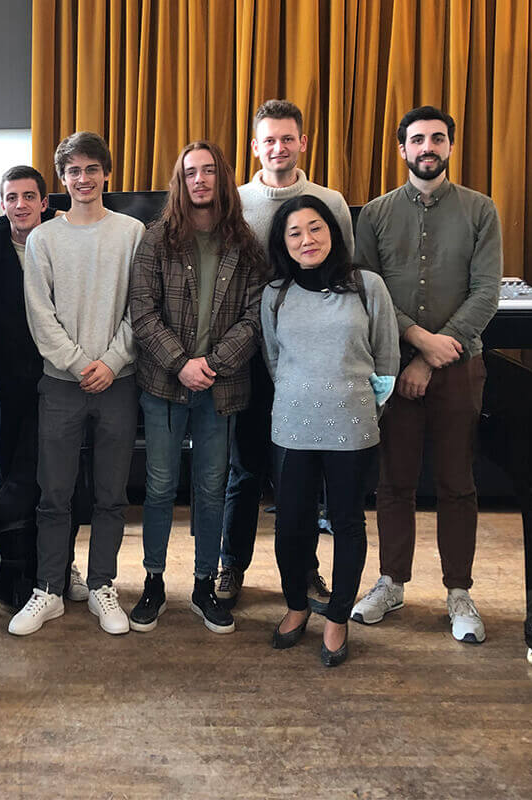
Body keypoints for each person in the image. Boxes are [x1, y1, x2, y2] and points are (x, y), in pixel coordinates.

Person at [351, 106, 502, 644]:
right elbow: (366, 290)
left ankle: (459, 591)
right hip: (392, 368)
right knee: (393, 482)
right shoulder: (375, 214)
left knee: (457, 483)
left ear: (450, 146)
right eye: (417, 139)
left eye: (438, 138)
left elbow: (487, 292)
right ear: (402, 150)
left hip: (460, 365)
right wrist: (416, 342)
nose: (428, 147)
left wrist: (435, 353)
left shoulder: (481, 210)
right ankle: (391, 582)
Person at [127, 140, 268, 634]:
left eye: (208, 171)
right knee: (160, 486)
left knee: (211, 489)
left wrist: (212, 363)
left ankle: (204, 585)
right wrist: (181, 363)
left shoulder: (246, 244)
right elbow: (142, 312)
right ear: (180, 182)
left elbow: (255, 317)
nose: (200, 180)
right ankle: (154, 582)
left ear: (222, 178)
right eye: (190, 172)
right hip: (164, 385)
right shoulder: (156, 239)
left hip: (222, 388)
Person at [221, 98, 356, 610]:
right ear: (255, 147)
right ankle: (232, 566)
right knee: (245, 469)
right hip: (248, 356)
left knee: (302, 474)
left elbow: (343, 275)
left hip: (311, 360)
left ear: (303, 142)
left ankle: (304, 571)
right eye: (269, 140)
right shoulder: (235, 202)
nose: (278, 147)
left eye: (287, 138)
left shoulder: (330, 202)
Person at [9, 131, 145, 636]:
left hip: (118, 381)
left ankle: (103, 585)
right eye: (73, 171)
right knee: (54, 493)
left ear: (106, 173)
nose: (83, 179)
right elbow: (39, 315)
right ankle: (49, 588)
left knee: (111, 494)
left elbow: (141, 306)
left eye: (91, 169)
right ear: (61, 179)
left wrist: (111, 362)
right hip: (60, 384)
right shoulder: (43, 238)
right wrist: (78, 364)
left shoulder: (133, 232)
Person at [261, 195, 399, 667]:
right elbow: (274, 359)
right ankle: (297, 605)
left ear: (333, 232)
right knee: (290, 524)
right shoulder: (275, 293)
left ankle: (338, 615)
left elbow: (386, 357)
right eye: (295, 232)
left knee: (347, 523)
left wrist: (363, 404)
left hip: (352, 424)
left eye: (315, 228)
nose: (307, 239)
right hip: (292, 425)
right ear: (283, 244)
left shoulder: (367, 286)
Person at [0, 165, 89, 606]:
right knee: (7, 479)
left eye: (29, 196)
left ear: (45, 202)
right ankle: (3, 568)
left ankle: (63, 566)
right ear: (2, 204)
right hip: (5, 386)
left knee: (62, 480)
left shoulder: (65, 239)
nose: (20, 205)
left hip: (60, 377)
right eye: (11, 197)